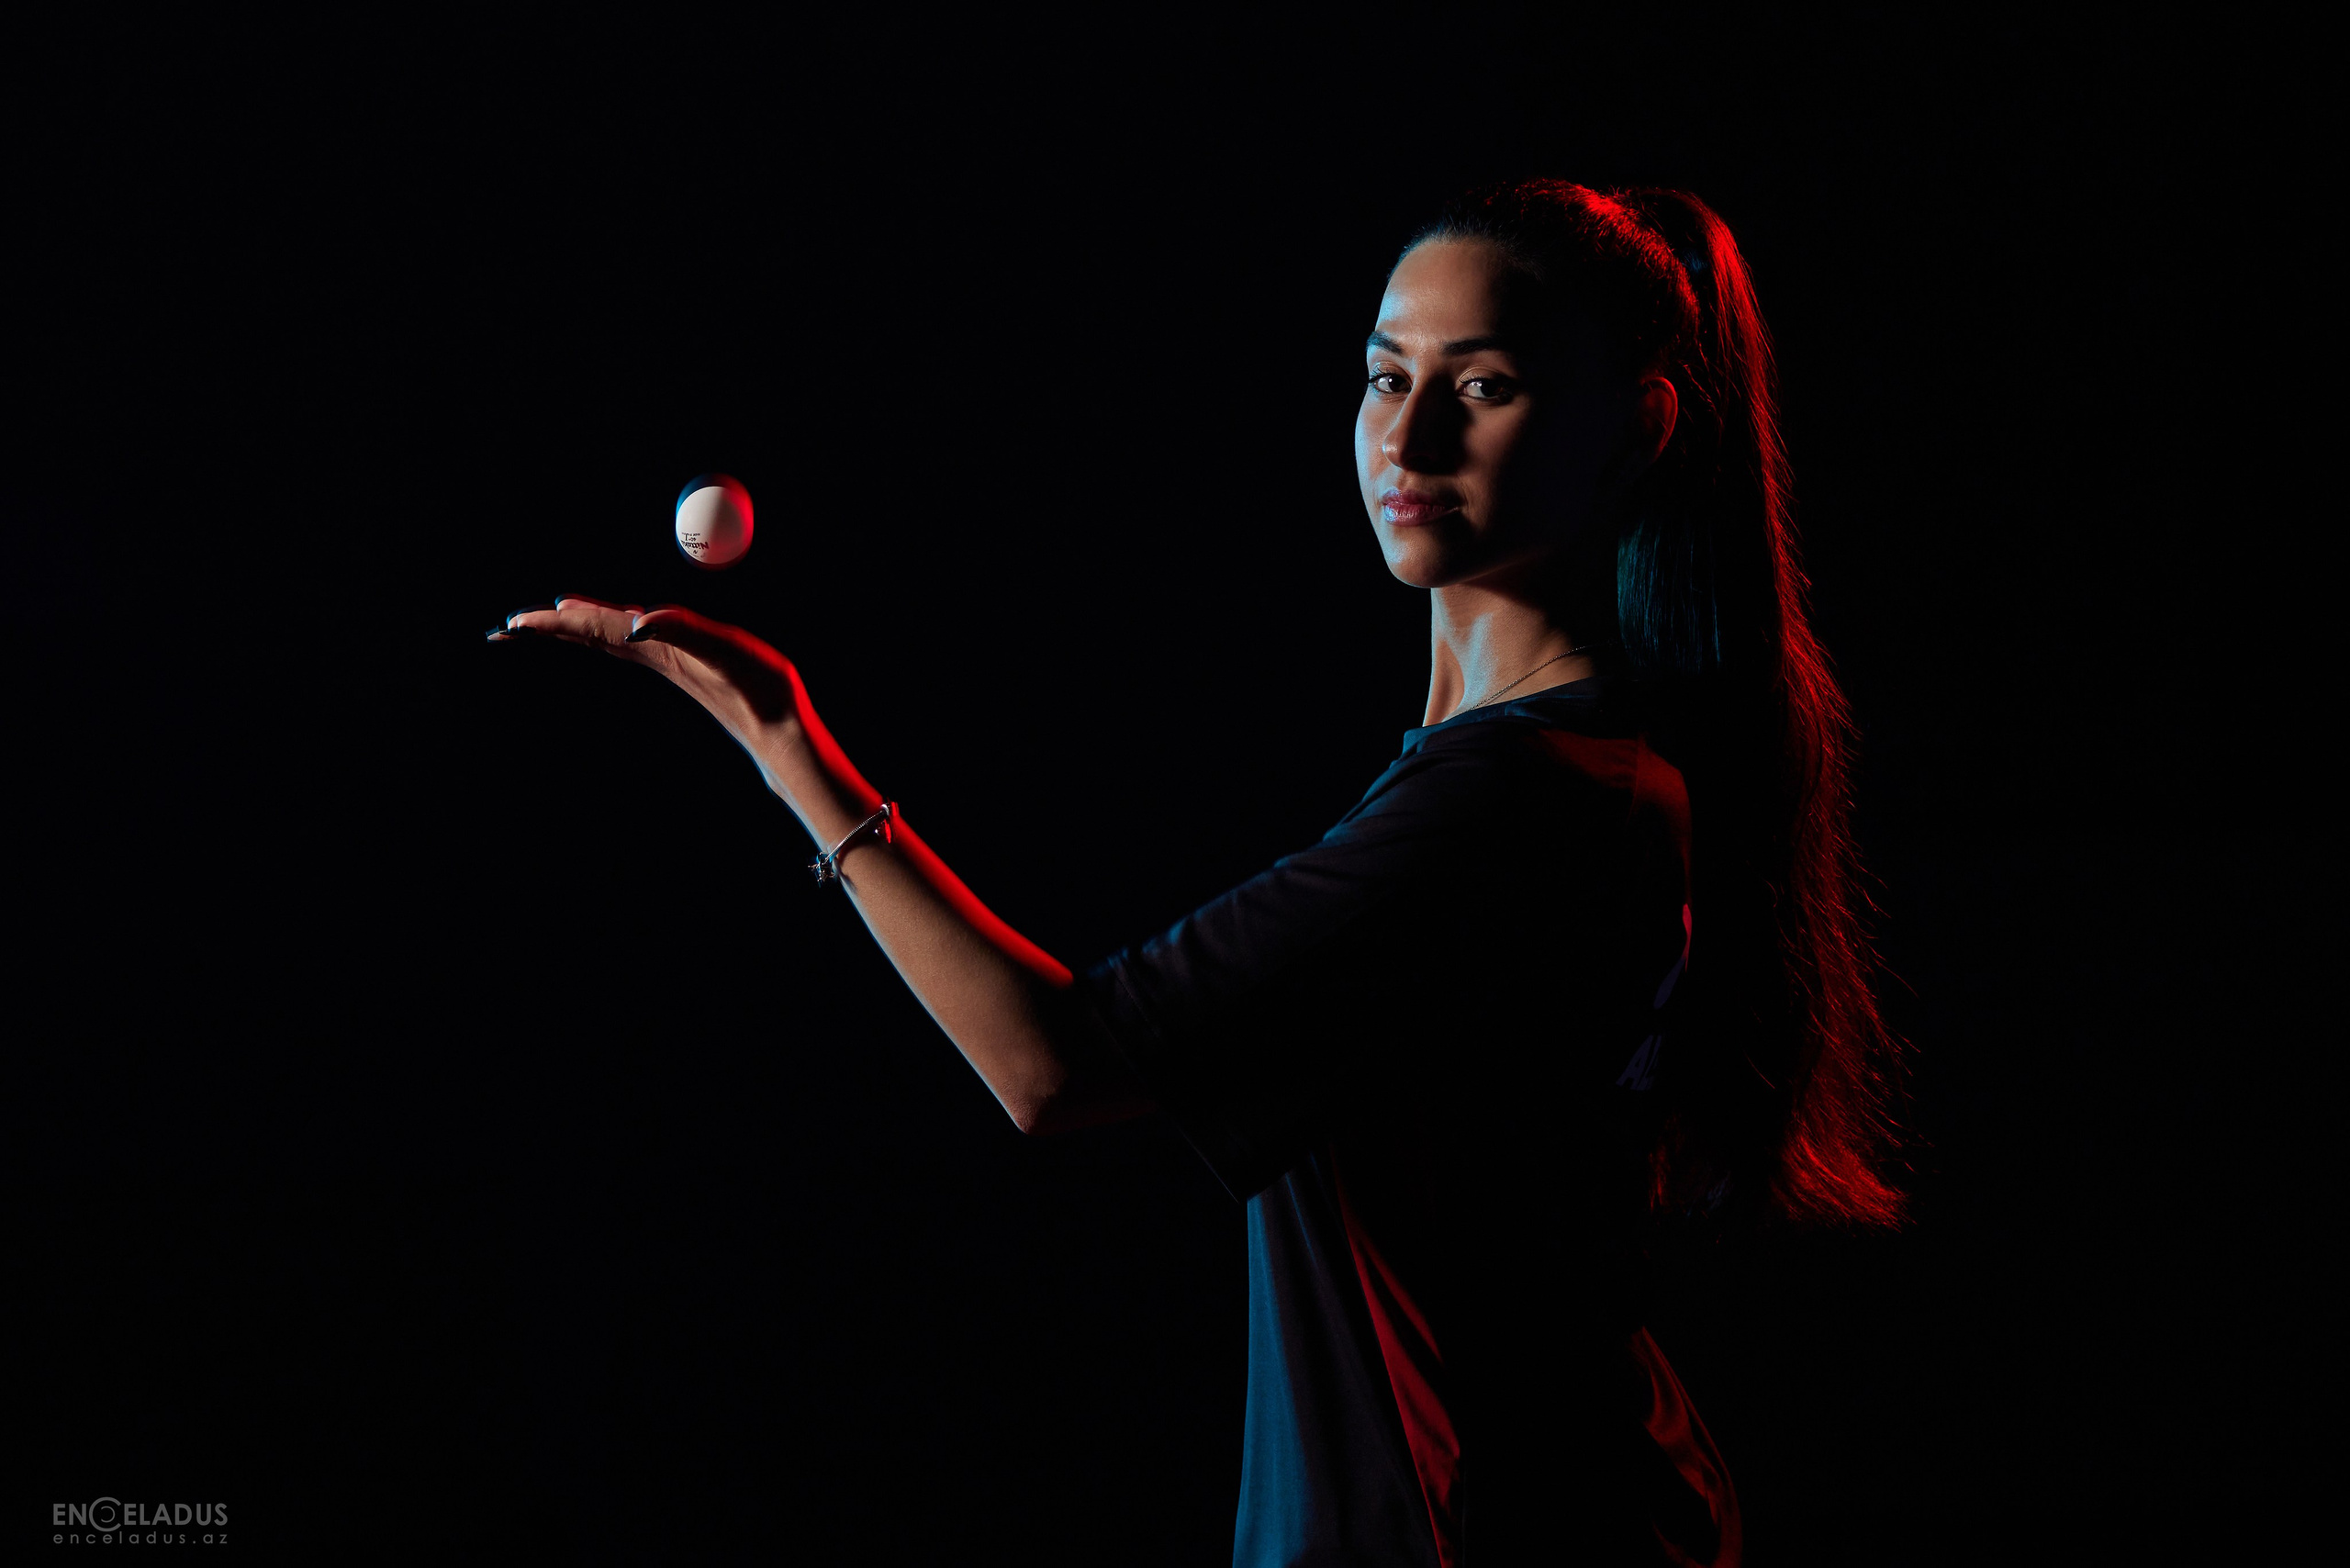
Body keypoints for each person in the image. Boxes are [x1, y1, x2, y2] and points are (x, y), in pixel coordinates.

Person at [489, 179, 1904, 1566]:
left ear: (1633, 428)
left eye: (1481, 388)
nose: (1404, 435)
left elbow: (1052, 1067)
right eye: (1381, 376)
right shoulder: (1569, 766)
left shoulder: (1521, 799)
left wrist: (776, 732)